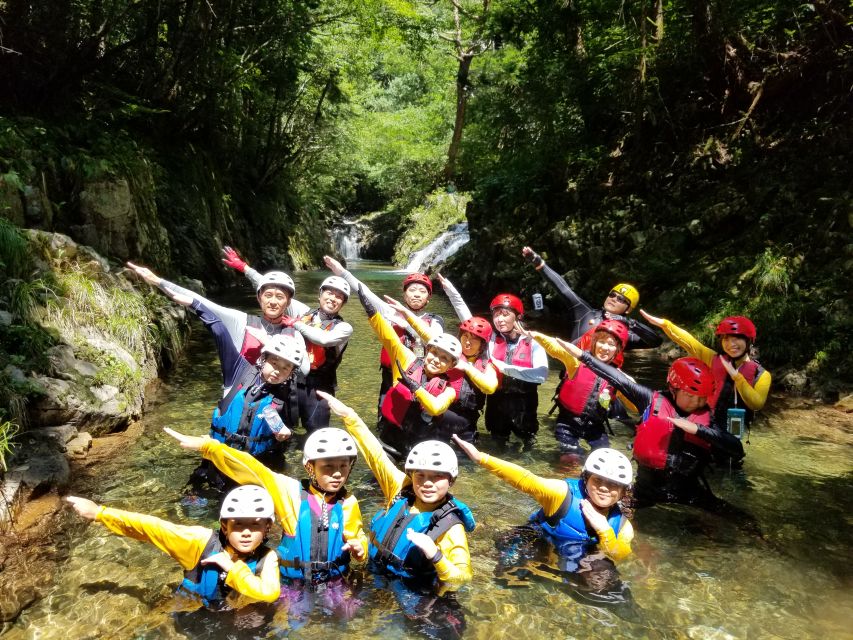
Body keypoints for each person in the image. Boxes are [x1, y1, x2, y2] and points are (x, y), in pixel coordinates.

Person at [166, 425, 368, 585]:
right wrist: (210, 447)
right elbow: (253, 469)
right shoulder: (291, 492)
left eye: (343, 466)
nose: (337, 473)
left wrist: (361, 549)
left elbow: (357, 535)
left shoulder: (348, 502)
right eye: (328, 467)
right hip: (292, 583)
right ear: (310, 467)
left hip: (335, 581)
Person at [559, 340, 746, 513]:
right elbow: (617, 378)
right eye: (690, 396)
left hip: (687, 492)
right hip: (645, 491)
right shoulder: (650, 400)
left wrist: (698, 430)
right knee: (595, 510)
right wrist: (583, 356)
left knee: (743, 520)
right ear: (673, 388)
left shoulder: (707, 418)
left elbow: (736, 449)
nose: (697, 402)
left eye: (702, 398)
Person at [317, 391, 475, 593]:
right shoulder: (402, 489)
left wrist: (436, 555)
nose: (427, 483)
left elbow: (462, 578)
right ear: (412, 475)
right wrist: (349, 415)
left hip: (410, 590)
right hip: (374, 573)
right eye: (420, 475)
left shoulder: (451, 527)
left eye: (437, 477)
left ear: (451, 480)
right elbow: (375, 455)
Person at [65, 485, 280, 610]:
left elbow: (269, 593)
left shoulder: (267, 557)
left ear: (267, 528)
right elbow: (154, 528)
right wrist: (100, 513)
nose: (246, 532)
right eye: (238, 524)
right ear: (224, 526)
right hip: (192, 609)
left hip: (232, 615)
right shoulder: (200, 542)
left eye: (255, 525)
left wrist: (231, 567)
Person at [223, 247, 354, 432]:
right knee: (282, 429)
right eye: (329, 293)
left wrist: (296, 323)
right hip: (291, 379)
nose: (333, 298)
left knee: (316, 431)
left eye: (339, 297)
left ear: (343, 303)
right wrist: (244, 268)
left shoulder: (344, 327)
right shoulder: (304, 312)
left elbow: (323, 340)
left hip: (318, 388)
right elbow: (274, 289)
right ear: (320, 294)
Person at [453, 436, 634, 567]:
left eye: (613, 484)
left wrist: (604, 530)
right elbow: (526, 480)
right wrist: (481, 458)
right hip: (535, 539)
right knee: (508, 568)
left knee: (605, 580)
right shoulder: (562, 494)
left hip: (571, 555)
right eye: (598, 480)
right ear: (586, 479)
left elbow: (619, 556)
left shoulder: (622, 526)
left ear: (623, 491)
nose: (604, 488)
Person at [127, 260, 310, 375]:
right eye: (268, 295)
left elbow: (304, 370)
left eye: (280, 297)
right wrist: (157, 281)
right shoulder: (241, 321)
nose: (273, 302)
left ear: (288, 302)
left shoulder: (294, 333)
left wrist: (269, 343)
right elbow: (201, 302)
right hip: (241, 401)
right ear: (259, 297)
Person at [640, 312, 771, 460]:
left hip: (729, 432)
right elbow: (691, 343)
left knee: (727, 463)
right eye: (726, 339)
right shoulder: (714, 359)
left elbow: (756, 404)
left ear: (749, 340)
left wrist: (737, 377)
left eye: (737, 339)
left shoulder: (762, 375)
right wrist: (666, 325)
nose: (731, 344)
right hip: (707, 422)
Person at [356, 285, 464, 458]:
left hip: (416, 453)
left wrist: (416, 387)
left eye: (444, 358)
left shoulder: (449, 390)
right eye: (434, 353)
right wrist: (371, 312)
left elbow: (436, 408)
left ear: (451, 366)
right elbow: (389, 338)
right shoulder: (409, 361)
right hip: (388, 445)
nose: (436, 360)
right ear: (427, 351)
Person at [323, 255, 444, 409]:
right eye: (412, 290)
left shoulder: (434, 320)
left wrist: (407, 325)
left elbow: (437, 342)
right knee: (385, 417)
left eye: (422, 291)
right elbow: (365, 293)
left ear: (428, 298)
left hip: (421, 377)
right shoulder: (391, 312)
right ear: (404, 294)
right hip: (390, 376)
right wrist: (342, 272)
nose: (417, 294)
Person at [521, 246, 661, 366]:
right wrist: (538, 262)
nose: (614, 299)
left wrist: (629, 322)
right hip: (572, 376)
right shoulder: (584, 312)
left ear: (628, 309)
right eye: (612, 295)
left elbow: (655, 341)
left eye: (621, 299)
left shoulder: (625, 332)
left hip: (599, 385)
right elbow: (563, 289)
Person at [385, 295, 498, 441]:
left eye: (474, 339)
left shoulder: (486, 366)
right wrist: (406, 313)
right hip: (440, 410)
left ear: (482, 345)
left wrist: (467, 368)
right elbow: (424, 331)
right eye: (465, 336)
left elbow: (490, 387)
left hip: (465, 418)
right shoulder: (449, 351)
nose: (467, 342)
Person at [525, 320, 636, 454]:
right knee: (571, 459)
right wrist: (534, 335)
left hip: (595, 427)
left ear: (617, 350)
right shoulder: (576, 362)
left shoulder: (618, 378)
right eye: (601, 342)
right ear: (594, 342)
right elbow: (556, 348)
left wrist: (631, 385)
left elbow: (636, 406)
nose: (605, 347)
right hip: (567, 423)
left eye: (611, 344)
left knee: (605, 456)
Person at [486, 294, 549, 448]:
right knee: (497, 441)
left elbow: (541, 375)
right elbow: (467, 318)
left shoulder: (533, 342)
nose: (499, 319)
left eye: (505, 314)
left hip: (524, 403)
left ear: (518, 316)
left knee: (528, 442)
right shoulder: (491, 339)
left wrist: (505, 369)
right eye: (496, 315)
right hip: (497, 401)